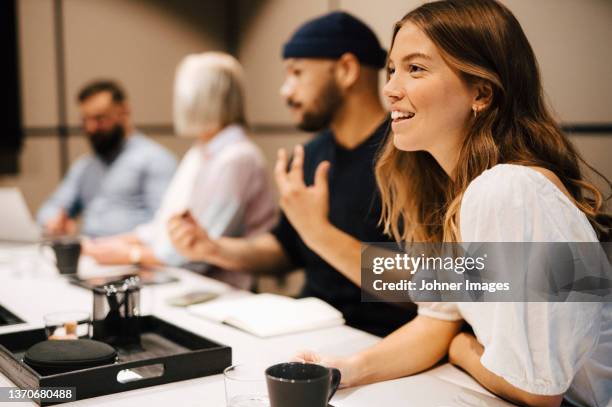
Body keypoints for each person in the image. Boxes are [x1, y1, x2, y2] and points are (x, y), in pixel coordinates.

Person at [295, 1, 612, 407]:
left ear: (481, 92)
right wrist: (343, 369)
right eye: (392, 69)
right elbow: (437, 319)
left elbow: (537, 392)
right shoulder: (466, 191)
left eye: (415, 68)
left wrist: (462, 347)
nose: (390, 88)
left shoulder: (508, 190)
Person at [168, 12, 416, 336]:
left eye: (297, 73)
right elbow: (286, 248)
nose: (286, 91)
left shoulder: (409, 154)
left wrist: (320, 233)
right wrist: (214, 248)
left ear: (346, 70)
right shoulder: (311, 154)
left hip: (379, 337)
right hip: (308, 325)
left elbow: (430, 287)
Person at [83, 53, 277, 290]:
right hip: (185, 281)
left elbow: (195, 251)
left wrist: (132, 254)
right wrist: (111, 243)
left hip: (222, 290)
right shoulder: (199, 152)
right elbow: (166, 222)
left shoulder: (237, 158)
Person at [37, 80, 177, 237]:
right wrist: (54, 222)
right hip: (88, 252)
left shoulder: (155, 160)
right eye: (85, 120)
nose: (91, 128)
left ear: (124, 111)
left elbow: (167, 224)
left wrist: (129, 248)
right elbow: (51, 207)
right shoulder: (85, 166)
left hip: (131, 255)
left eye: (99, 119)